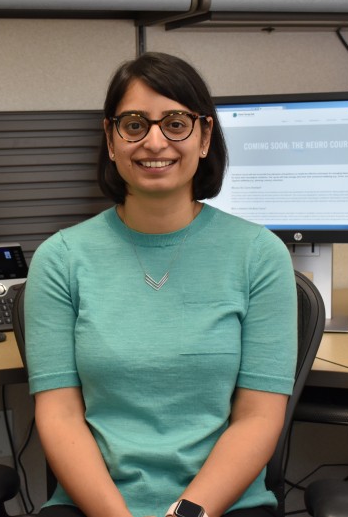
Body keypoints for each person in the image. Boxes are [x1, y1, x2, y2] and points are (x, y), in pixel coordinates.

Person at [23, 52, 297, 517]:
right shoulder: (62, 258)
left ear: (205, 136)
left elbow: (258, 417)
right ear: (111, 140)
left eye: (175, 123)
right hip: (96, 506)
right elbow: (60, 416)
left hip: (221, 507)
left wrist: (188, 512)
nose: (155, 142)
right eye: (134, 125)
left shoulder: (259, 255)